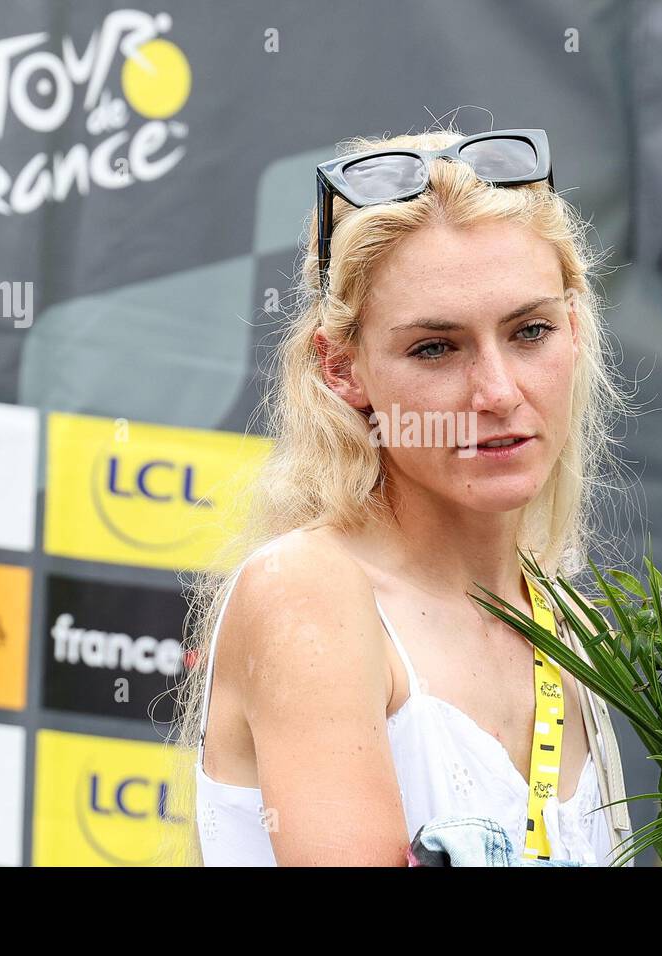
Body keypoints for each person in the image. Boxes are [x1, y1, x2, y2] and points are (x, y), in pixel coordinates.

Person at [174, 126, 636, 866]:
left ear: (575, 330)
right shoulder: (310, 593)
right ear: (342, 369)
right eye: (434, 348)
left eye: (530, 331)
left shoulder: (558, 614)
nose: (496, 391)